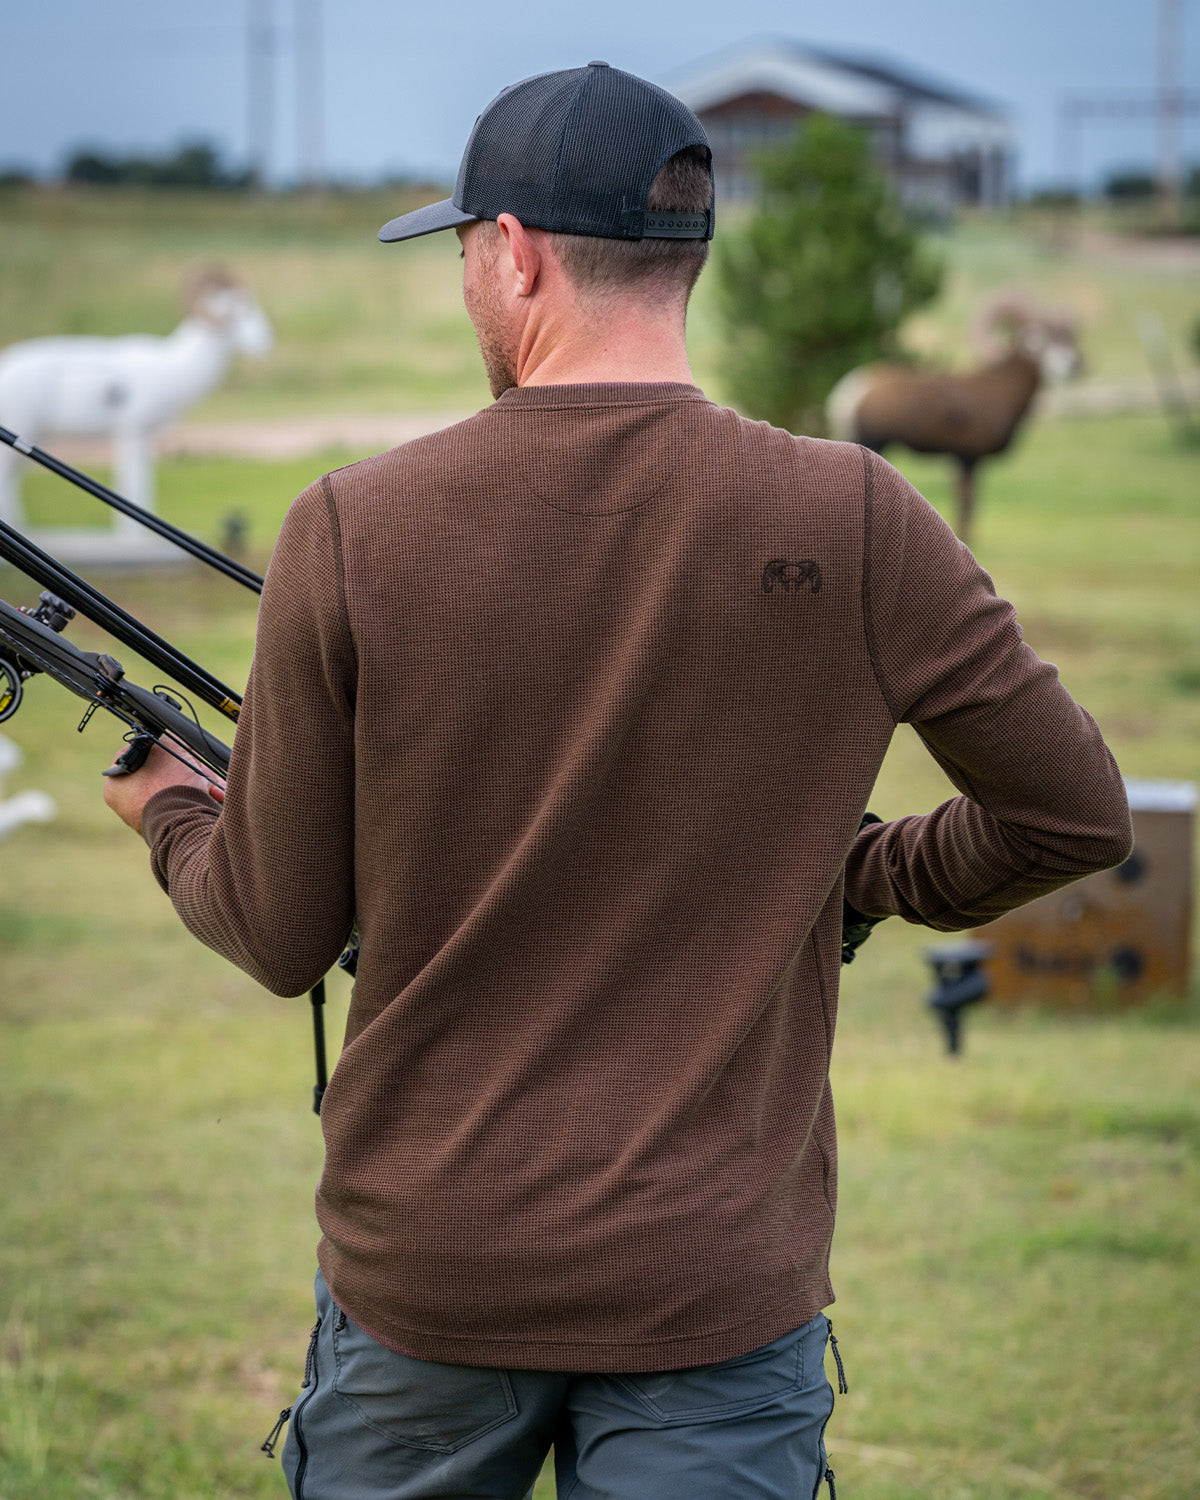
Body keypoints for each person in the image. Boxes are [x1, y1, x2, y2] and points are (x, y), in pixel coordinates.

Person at [102, 62, 1132, 1500]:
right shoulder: (859, 517)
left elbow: (278, 931)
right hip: (716, 1285)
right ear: (688, 258)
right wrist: (871, 875)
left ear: (514, 252)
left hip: (430, 1282)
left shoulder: (350, 527)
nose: (469, 280)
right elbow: (1074, 812)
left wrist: (171, 815)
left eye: (465, 248)